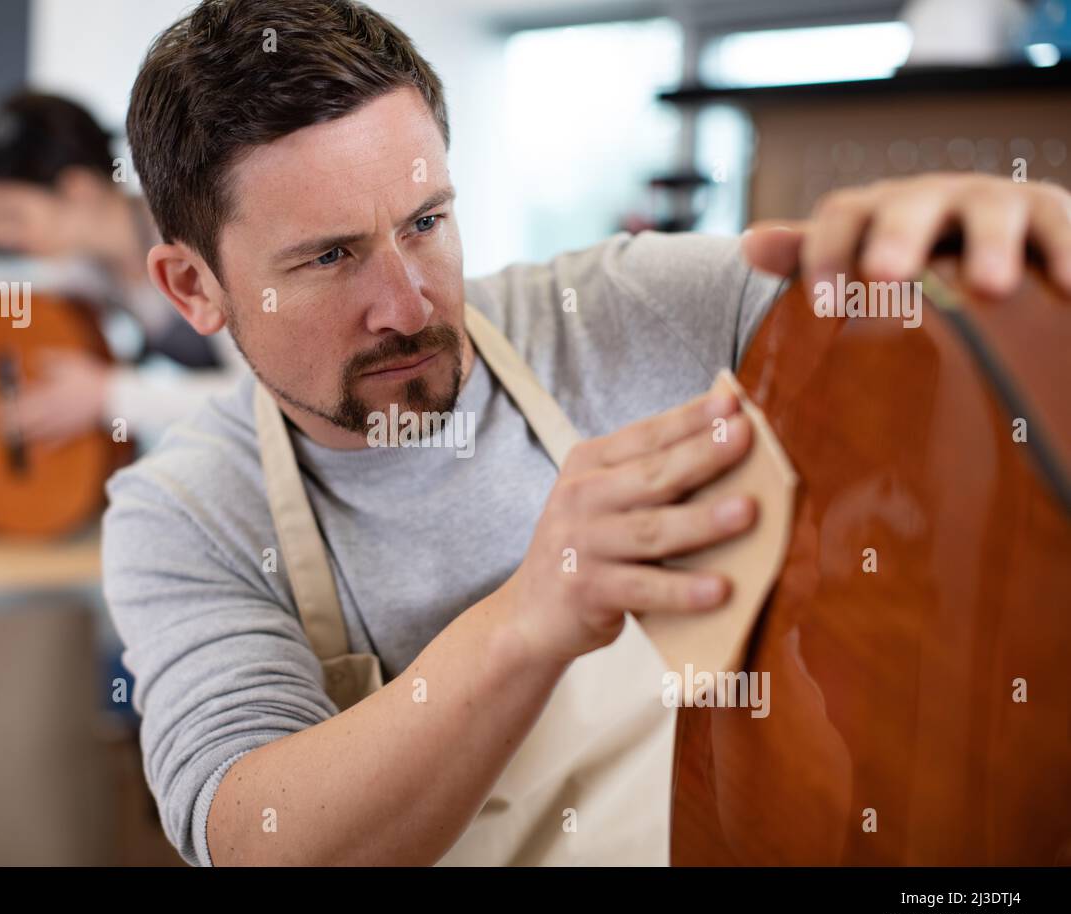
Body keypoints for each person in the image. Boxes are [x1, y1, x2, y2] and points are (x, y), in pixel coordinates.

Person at [101, 0, 1071, 866]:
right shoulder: (186, 512)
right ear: (193, 286)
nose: (405, 303)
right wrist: (529, 619)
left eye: (426, 221)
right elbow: (252, 835)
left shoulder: (622, 311)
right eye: (328, 256)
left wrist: (998, 270)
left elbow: (918, 354)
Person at [0, 90, 243, 446]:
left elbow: (258, 399)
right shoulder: (83, 266)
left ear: (78, 189)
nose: (3, 237)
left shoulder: (194, 244)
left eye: (13, 216)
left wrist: (108, 395)